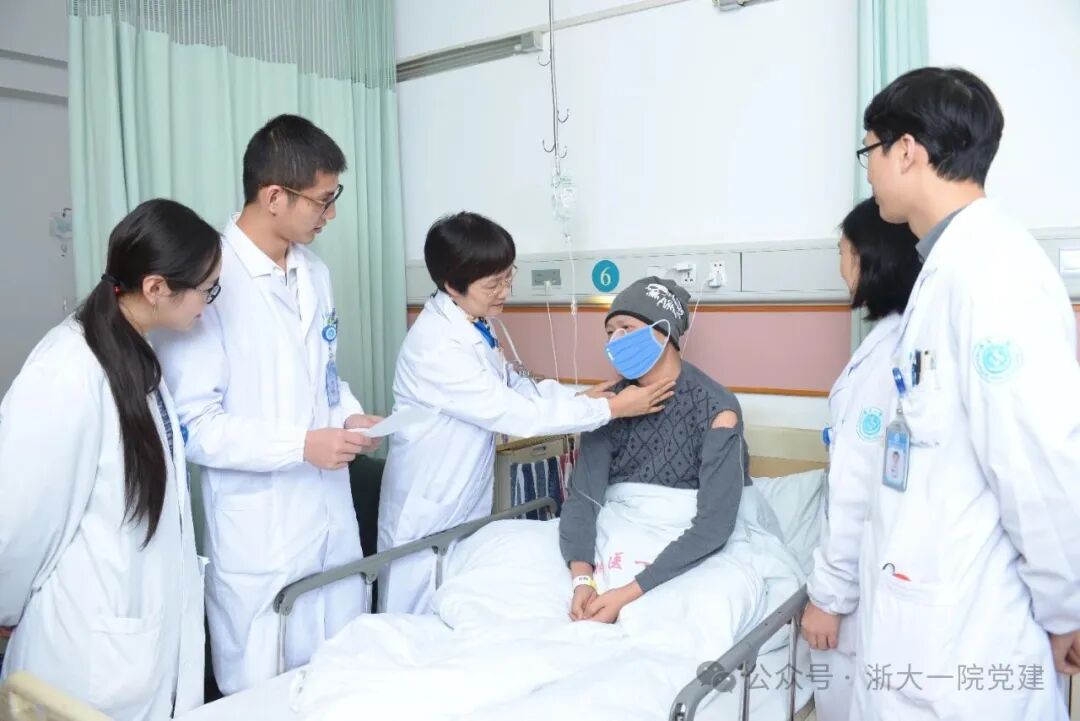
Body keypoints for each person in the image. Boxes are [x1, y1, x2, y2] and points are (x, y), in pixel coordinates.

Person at [854, 66, 1080, 720]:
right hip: (929, 613)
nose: (869, 172)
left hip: (970, 632)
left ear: (906, 150)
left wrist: (1067, 608)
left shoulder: (994, 273)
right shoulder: (947, 267)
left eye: (870, 152)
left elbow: (1038, 460)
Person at [154, 115, 380, 694]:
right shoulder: (208, 279)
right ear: (275, 196)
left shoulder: (314, 273)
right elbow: (193, 427)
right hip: (262, 533)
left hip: (329, 518)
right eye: (323, 201)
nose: (330, 214)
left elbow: (324, 375)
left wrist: (349, 414)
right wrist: (301, 446)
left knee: (343, 681)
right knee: (264, 692)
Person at [378, 214, 676, 614]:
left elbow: (515, 387)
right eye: (493, 284)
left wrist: (580, 397)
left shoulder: (473, 323)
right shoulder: (437, 346)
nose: (506, 291)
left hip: (460, 501)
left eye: (508, 277)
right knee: (413, 612)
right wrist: (610, 408)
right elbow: (514, 413)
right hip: (428, 503)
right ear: (452, 285)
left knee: (453, 600)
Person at [0, 199, 221, 720]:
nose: (209, 304)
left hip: (134, 648)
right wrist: (5, 610)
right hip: (85, 657)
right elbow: (17, 521)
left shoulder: (136, 356)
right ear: (156, 288)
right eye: (206, 289)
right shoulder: (68, 371)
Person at [558, 276, 752, 623]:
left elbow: (714, 525)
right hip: (621, 526)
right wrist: (582, 579)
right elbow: (583, 499)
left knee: (711, 602)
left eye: (627, 328)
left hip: (684, 535)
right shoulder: (608, 406)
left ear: (664, 331)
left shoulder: (716, 407)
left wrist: (626, 594)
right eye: (610, 332)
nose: (616, 341)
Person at [799, 198, 922, 721]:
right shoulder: (899, 337)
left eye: (843, 252)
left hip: (861, 600)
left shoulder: (887, 360)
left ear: (870, 258)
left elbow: (853, 489)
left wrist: (827, 599)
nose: (840, 266)